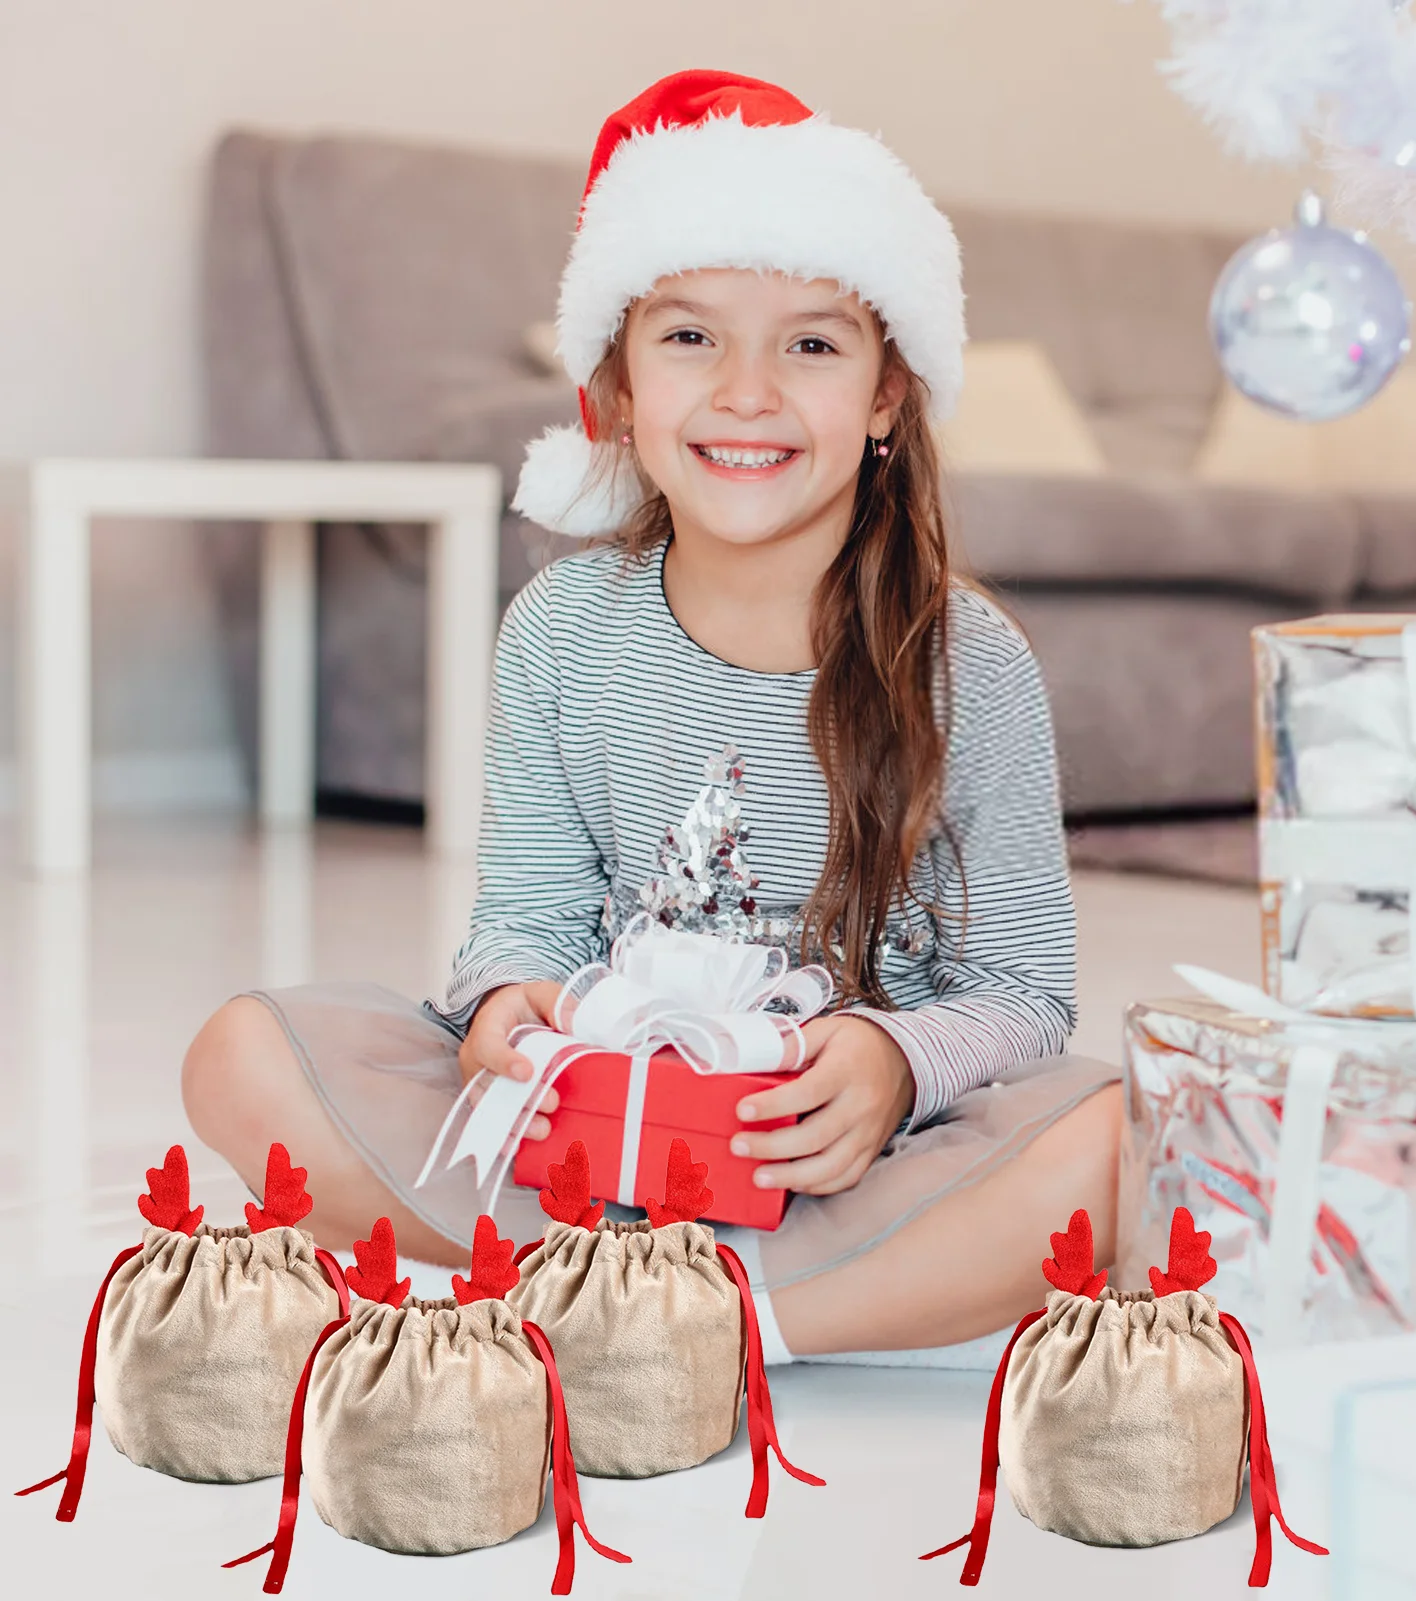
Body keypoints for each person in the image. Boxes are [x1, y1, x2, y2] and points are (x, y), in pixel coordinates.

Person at [182, 68, 1120, 1364]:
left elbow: (1022, 990)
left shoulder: (972, 663)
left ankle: (722, 1325)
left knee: (1117, 1138)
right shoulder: (561, 630)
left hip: (840, 1167)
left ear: (888, 395)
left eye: (811, 342)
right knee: (245, 1056)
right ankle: (629, 1284)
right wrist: (512, 1006)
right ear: (615, 387)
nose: (747, 392)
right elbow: (526, 913)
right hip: (593, 1145)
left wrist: (895, 1062)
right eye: (689, 338)